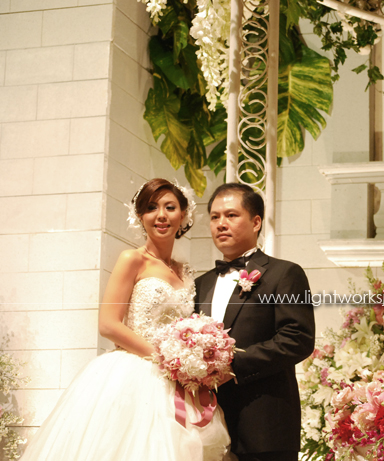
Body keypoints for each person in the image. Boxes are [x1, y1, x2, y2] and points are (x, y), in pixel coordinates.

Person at [20, 178, 230, 461]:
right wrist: (166, 358)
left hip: (177, 379)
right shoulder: (132, 259)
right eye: (151, 208)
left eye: (170, 207)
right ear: (140, 216)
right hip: (135, 372)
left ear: (183, 215)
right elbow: (108, 323)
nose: (161, 215)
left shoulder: (186, 271)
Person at [194, 183, 315, 461]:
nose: (221, 224)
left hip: (264, 426)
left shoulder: (285, 273)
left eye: (231, 215)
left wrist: (232, 366)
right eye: (214, 217)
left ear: (256, 221)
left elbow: (297, 339)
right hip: (208, 425)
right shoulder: (200, 284)